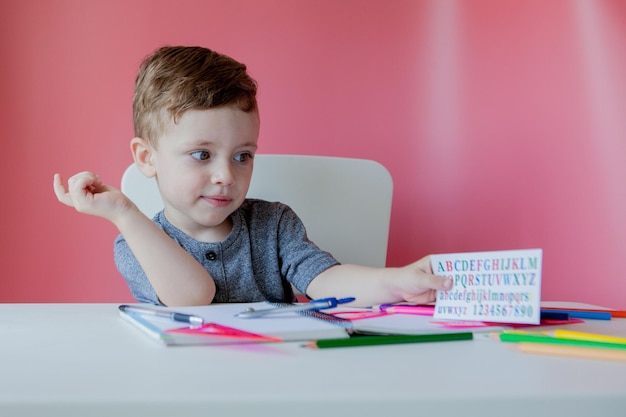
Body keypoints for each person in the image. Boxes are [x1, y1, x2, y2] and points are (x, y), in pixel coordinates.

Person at [53, 45, 452, 307]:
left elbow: (325, 279)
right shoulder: (136, 243)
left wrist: (396, 283)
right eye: (201, 155)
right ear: (147, 157)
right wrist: (124, 212)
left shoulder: (273, 224)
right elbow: (194, 297)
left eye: (242, 155)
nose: (226, 174)